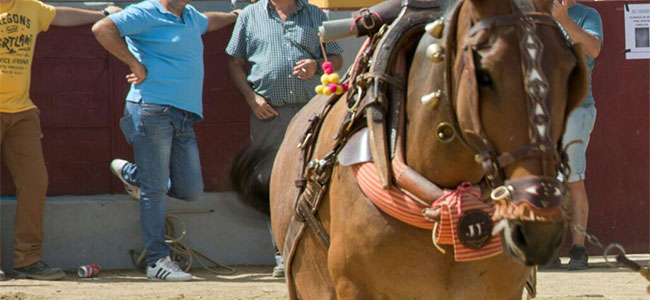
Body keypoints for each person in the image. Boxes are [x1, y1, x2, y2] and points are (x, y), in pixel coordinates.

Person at [91, 0, 237, 281]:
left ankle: (135, 174)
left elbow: (210, 20)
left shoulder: (191, 15)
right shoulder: (146, 11)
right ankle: (157, 261)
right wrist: (135, 63)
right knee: (155, 189)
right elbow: (103, 27)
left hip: (184, 113)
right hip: (152, 108)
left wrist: (234, 16)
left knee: (190, 189)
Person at [0, 0, 121, 280]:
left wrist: (102, 13)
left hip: (22, 110)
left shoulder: (30, 6)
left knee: (34, 183)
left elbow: (61, 14)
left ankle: (27, 259)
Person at [225, 0, 343, 278]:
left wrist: (316, 65)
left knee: (317, 177)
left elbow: (335, 58)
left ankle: (318, 249)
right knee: (272, 179)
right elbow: (234, 61)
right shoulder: (250, 16)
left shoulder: (315, 13)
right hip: (268, 112)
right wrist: (251, 97)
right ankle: (283, 252)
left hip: (312, 111)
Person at [552, 0, 603, 270]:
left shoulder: (587, 15)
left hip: (576, 109)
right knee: (547, 181)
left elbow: (593, 49)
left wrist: (564, 20)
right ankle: (550, 249)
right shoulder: (536, 12)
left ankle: (578, 249)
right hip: (542, 114)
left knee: (572, 179)